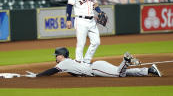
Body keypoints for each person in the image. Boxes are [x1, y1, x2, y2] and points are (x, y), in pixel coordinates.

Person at [25, 47, 162, 78]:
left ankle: (125, 61)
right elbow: (74, 72)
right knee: (123, 73)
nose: (55, 57)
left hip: (95, 69)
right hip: (96, 66)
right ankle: (149, 70)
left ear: (62, 56)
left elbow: (51, 71)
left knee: (118, 75)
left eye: (57, 55)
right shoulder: (68, 63)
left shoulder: (63, 63)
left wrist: (37, 76)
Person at [66, 0, 102, 65]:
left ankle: (86, 61)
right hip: (81, 20)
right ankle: (78, 63)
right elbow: (69, 6)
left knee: (96, 42)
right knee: (81, 44)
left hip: (91, 21)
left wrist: (100, 11)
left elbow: (95, 4)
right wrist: (68, 19)